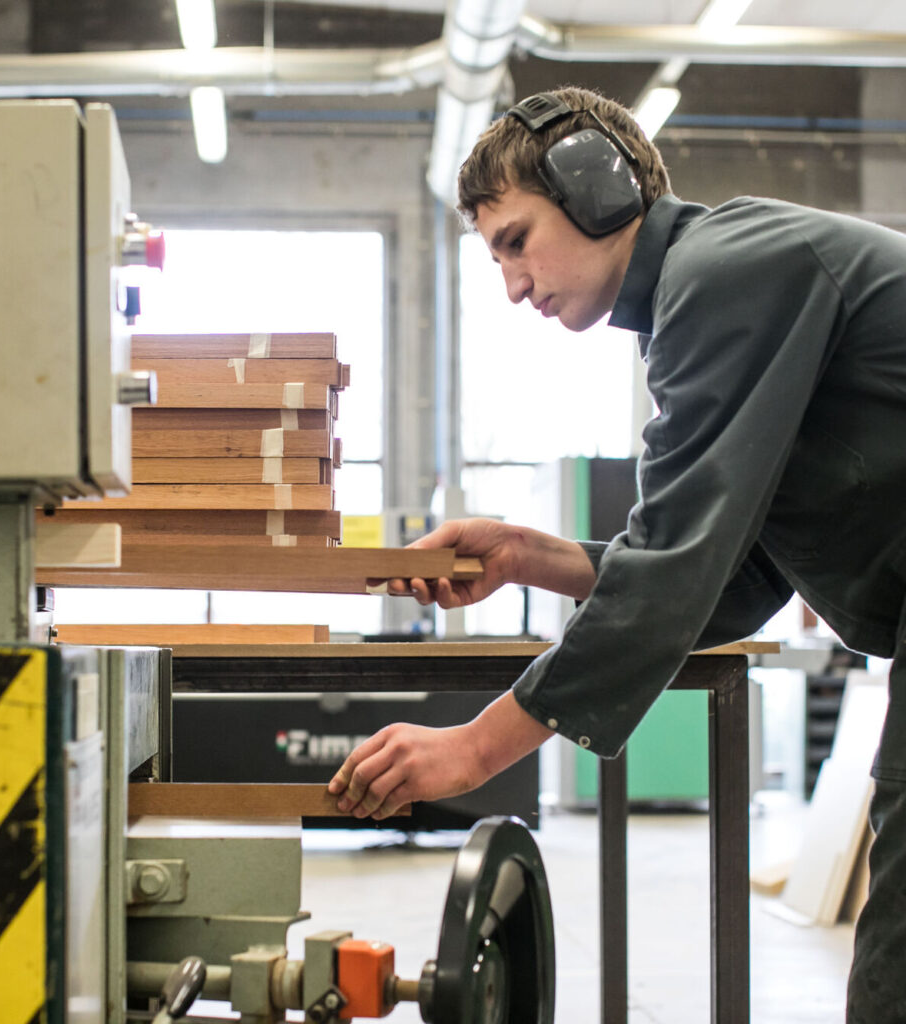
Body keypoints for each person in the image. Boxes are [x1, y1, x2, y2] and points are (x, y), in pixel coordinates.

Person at [327, 84, 906, 1021]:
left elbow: (676, 567)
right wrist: (522, 553)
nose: (512, 285)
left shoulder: (727, 275)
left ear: (599, 187)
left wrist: (477, 752)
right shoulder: (717, 290)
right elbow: (736, 571)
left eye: (515, 239)